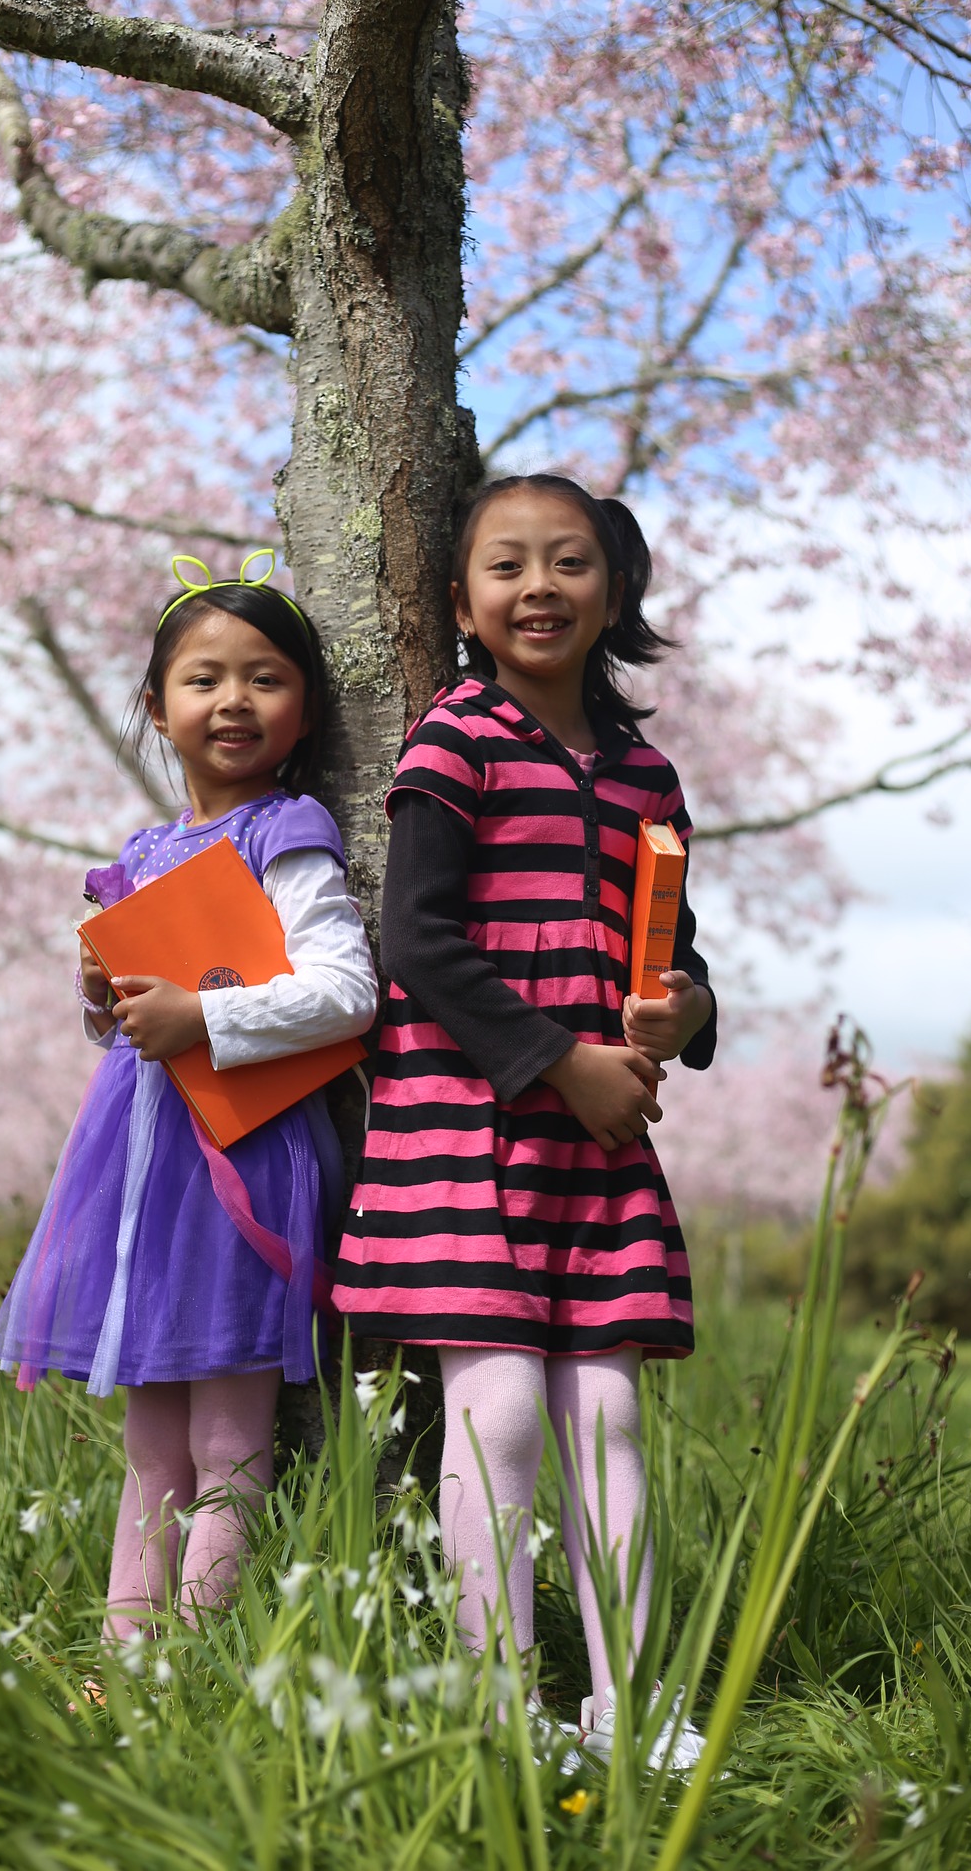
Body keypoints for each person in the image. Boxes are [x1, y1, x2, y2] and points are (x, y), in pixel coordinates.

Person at [333, 476, 716, 1766]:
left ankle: (629, 1708)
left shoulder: (644, 775)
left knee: (602, 1420)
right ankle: (492, 1703)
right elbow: (416, 940)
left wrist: (676, 1018)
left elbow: (679, 962)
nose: (537, 587)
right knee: (493, 1418)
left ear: (615, 594)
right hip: (465, 1127)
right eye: (506, 566)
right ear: (460, 602)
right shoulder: (459, 737)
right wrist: (557, 1059)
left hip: (594, 1146)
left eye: (568, 563)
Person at [0, 554, 378, 1640]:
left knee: (225, 1447)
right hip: (141, 1168)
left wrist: (201, 1020)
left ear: (303, 708)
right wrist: (104, 1001)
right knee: (150, 1446)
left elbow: (345, 994)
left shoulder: (284, 834)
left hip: (240, 1163)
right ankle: (129, 1657)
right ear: (156, 708)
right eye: (203, 679)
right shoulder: (144, 853)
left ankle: (187, 1665)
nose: (233, 702)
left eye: (265, 678)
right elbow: (134, 1012)